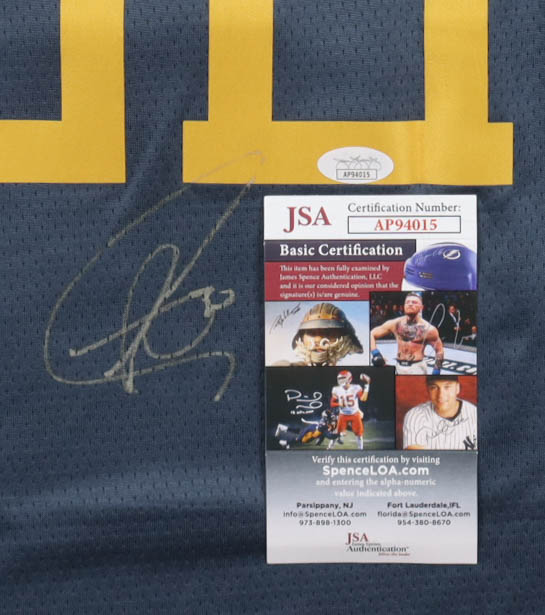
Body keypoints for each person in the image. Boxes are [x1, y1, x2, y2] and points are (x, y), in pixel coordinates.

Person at [370, 292, 444, 375]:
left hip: (417, 368)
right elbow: (371, 334)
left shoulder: (429, 329)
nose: (410, 304)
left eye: (414, 302)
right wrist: (376, 354)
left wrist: (436, 371)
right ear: (404, 306)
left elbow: (439, 351)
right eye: (407, 302)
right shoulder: (395, 324)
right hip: (398, 367)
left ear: (421, 307)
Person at [274, 302, 363, 366]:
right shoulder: (286, 369)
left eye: (327, 332)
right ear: (302, 338)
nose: (318, 339)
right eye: (311, 333)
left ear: (344, 338)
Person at [402, 375, 477, 450]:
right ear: (428, 390)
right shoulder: (415, 416)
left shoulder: (475, 414)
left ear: (457, 388)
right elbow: (418, 457)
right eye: (434, 387)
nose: (441, 395)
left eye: (447, 387)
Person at [327, 370, 370, 450]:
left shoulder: (356, 387)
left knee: (359, 434)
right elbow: (332, 404)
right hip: (343, 414)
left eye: (343, 378)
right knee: (336, 433)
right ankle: (329, 448)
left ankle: (360, 450)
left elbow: (363, 399)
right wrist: (339, 404)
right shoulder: (336, 389)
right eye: (340, 379)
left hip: (355, 414)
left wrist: (367, 385)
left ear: (349, 379)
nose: (341, 380)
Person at [275, 409, 340, 449]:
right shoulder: (323, 424)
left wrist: (320, 441)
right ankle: (285, 442)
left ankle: (283, 429)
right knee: (300, 439)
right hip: (311, 430)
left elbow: (322, 430)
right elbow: (324, 432)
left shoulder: (326, 422)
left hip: (314, 431)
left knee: (299, 432)